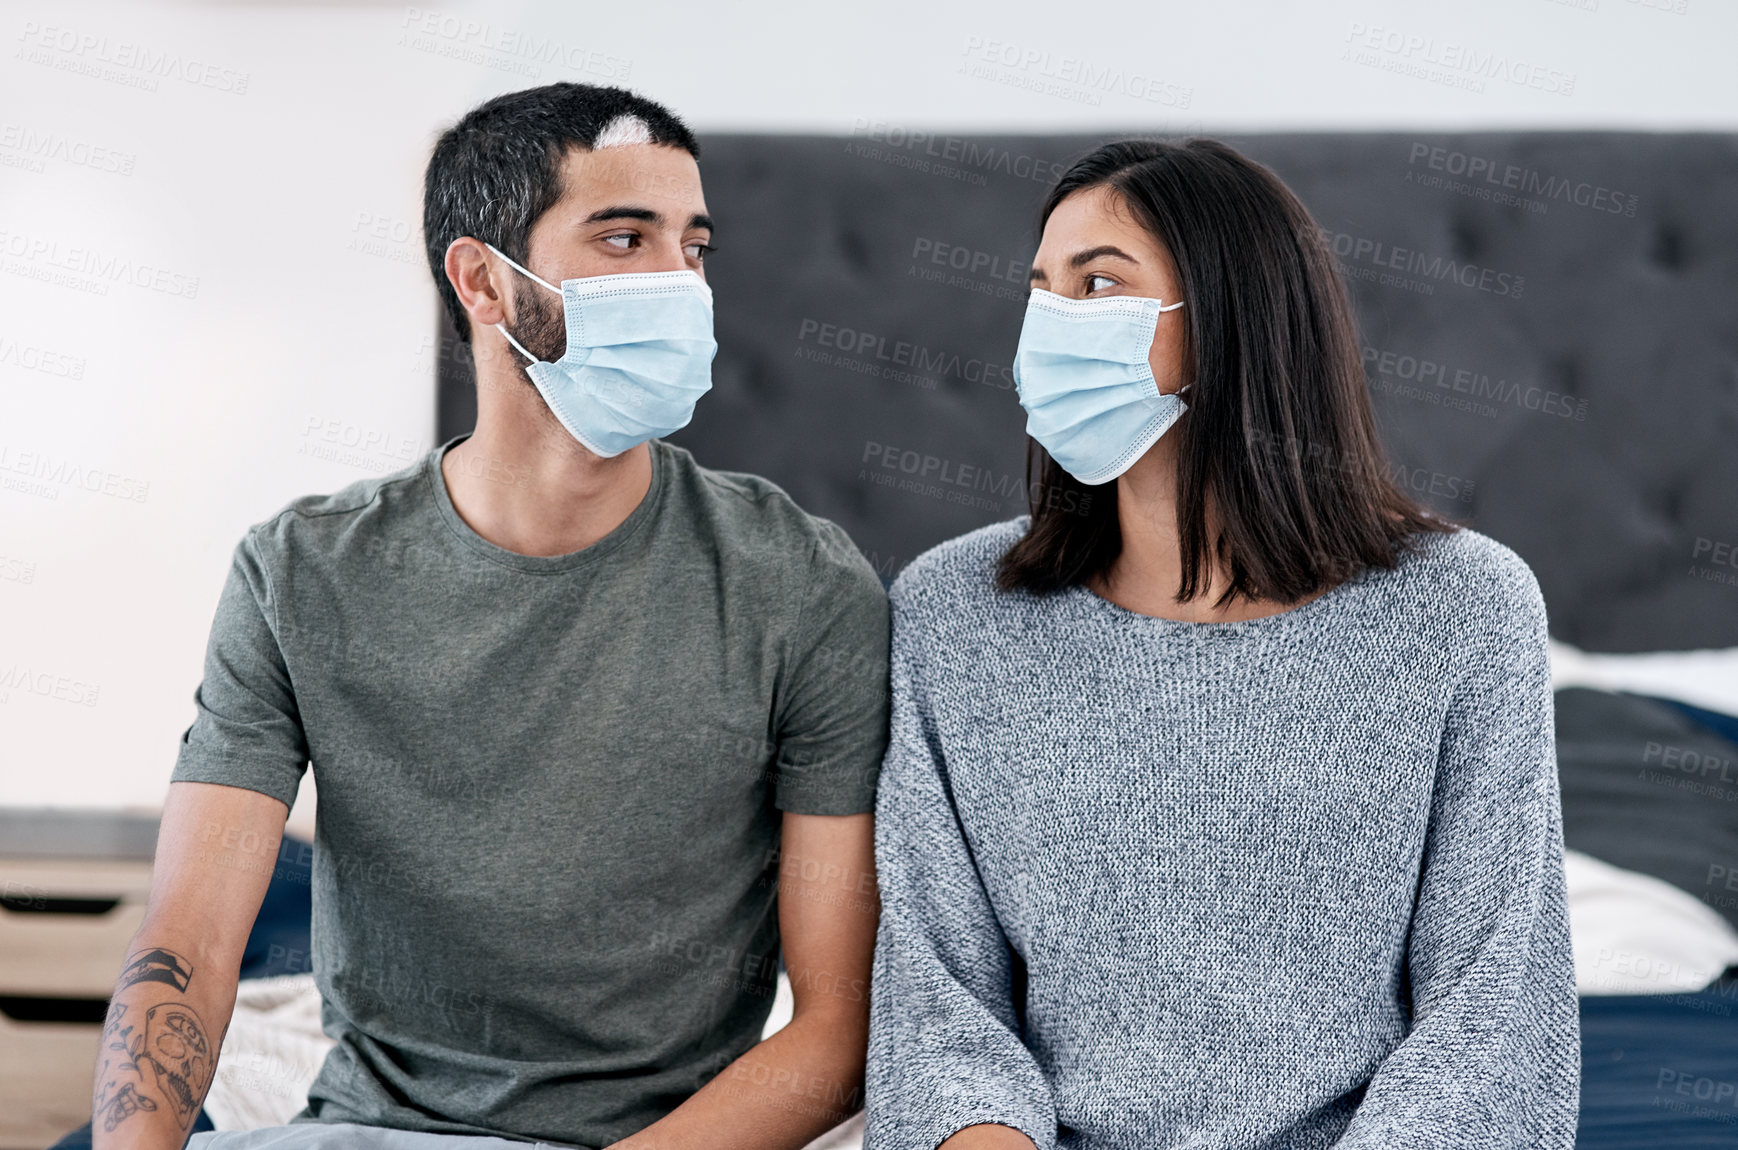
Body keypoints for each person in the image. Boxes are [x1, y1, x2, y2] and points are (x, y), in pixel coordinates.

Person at [92, 83, 888, 1150]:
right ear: (482, 281)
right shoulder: (301, 572)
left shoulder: (803, 584)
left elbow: (837, 1031)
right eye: (623, 237)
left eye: (692, 246)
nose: (678, 282)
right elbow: (186, 946)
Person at [864, 138, 1579, 1149]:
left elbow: (1491, 1009)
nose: (1052, 326)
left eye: (1098, 283)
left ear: (1232, 320)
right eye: (1041, 291)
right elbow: (937, 998)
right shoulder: (951, 609)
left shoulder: (1465, 606)